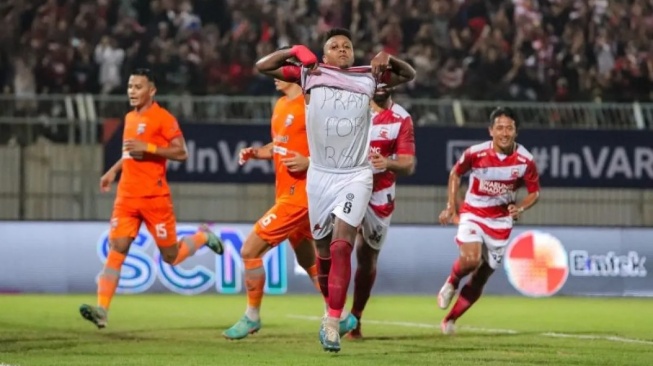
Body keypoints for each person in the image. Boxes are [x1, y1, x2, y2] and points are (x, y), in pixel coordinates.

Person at [254, 28, 416, 352]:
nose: (342, 50)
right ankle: (332, 306)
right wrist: (296, 49)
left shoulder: (367, 78)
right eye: (334, 46)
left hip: (356, 175)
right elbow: (263, 66)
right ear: (324, 54)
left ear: (353, 54)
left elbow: (408, 74)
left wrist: (390, 58)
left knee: (343, 245)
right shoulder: (309, 75)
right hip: (320, 176)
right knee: (324, 253)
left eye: (347, 46)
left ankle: (331, 322)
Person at [79, 68, 223, 329]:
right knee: (118, 248)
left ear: (152, 90)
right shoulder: (129, 118)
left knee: (171, 256)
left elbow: (182, 153)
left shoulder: (163, 118)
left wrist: (151, 148)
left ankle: (203, 237)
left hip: (155, 198)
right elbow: (129, 153)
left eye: (138, 87)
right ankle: (102, 310)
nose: (132, 91)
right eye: (130, 86)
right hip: (127, 196)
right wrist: (112, 172)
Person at [222, 72, 320, 340]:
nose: (273, 76)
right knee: (309, 260)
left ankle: (252, 317)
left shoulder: (312, 105)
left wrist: (310, 161)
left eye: (279, 69)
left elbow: (335, 146)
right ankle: (340, 315)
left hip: (300, 196)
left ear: (293, 72)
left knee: (250, 250)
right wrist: (258, 152)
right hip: (286, 195)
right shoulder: (280, 105)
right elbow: (280, 145)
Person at [436, 107, 541, 335]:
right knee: (471, 260)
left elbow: (535, 192)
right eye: (500, 128)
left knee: (482, 276)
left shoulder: (525, 160)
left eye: (509, 128)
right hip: (473, 213)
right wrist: (451, 207)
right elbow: (456, 173)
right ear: (491, 131)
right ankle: (452, 282)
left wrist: (520, 207)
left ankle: (451, 319)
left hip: (500, 222)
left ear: (516, 132)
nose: (504, 133)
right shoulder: (476, 153)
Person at [347, 86, 416, 339]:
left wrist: (388, 162)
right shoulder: (350, 108)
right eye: (375, 79)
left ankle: (356, 317)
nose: (380, 85)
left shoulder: (401, 118)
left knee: (366, 258)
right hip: (350, 187)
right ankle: (333, 314)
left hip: (380, 195)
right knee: (340, 246)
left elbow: (408, 164)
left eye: (385, 80)